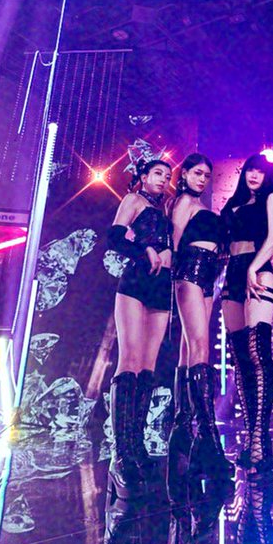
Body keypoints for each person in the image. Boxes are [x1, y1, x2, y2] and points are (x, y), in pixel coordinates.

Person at [105, 156, 174, 498]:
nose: (163, 179)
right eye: (157, 173)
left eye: (167, 175)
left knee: (148, 366)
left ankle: (137, 446)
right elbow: (114, 238)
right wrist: (144, 248)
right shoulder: (134, 200)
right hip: (135, 281)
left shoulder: (167, 210)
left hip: (161, 286)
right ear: (144, 176)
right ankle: (122, 453)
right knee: (129, 360)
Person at [169, 153, 232, 498]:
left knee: (189, 347)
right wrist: (176, 281)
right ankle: (207, 435)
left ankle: (183, 428)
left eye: (207, 175)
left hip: (208, 273)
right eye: (197, 173)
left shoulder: (200, 205)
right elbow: (175, 244)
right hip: (190, 269)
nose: (203, 179)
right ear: (184, 174)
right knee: (200, 346)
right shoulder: (183, 202)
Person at [221, 154, 273, 475]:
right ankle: (250, 438)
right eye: (250, 170)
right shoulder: (233, 205)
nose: (254, 175)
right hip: (232, 275)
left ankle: (260, 440)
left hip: (258, 271)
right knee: (240, 359)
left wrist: (254, 268)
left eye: (260, 171)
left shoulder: (271, 199)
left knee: (258, 352)